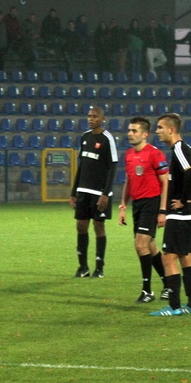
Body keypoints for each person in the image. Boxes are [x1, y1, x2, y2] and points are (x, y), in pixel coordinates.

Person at [150, 114, 191, 316]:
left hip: (183, 214)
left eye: (160, 127)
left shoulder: (180, 149)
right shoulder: (184, 149)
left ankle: (173, 307)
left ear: (171, 130)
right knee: (186, 257)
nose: (157, 131)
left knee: (168, 257)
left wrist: (182, 200)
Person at [118, 117, 170, 304]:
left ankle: (147, 290)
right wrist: (123, 206)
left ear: (145, 134)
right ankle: (169, 284)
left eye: (134, 131)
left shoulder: (155, 154)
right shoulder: (129, 155)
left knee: (140, 245)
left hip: (152, 202)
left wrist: (163, 210)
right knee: (150, 246)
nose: (130, 134)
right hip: (138, 204)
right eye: (129, 130)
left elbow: (165, 182)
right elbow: (129, 181)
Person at [69, 106, 118, 279]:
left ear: (102, 118)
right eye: (89, 116)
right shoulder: (85, 137)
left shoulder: (107, 139)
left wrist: (106, 194)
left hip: (99, 192)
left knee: (99, 226)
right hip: (83, 190)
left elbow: (113, 166)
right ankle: (83, 267)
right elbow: (81, 166)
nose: (91, 119)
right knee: (81, 226)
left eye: (95, 116)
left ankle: (99, 267)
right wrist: (74, 192)